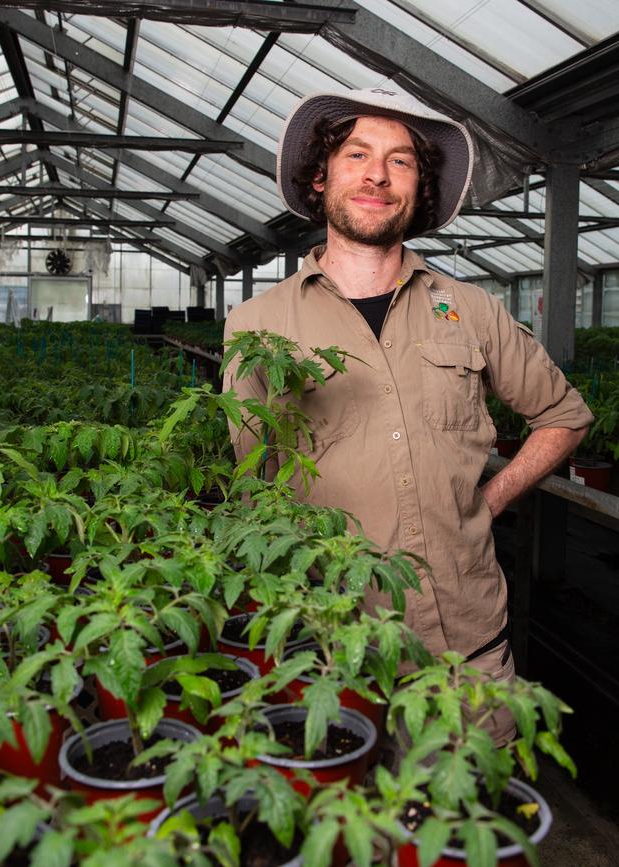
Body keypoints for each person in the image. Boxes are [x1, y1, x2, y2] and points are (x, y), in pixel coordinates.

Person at [223, 86, 592, 744]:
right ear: (320, 176)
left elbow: (564, 415)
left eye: (400, 161)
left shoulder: (470, 308)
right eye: (357, 153)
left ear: (418, 189)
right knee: (345, 837)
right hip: (334, 652)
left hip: (467, 652)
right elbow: (256, 484)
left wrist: (492, 495)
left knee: (462, 835)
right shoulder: (258, 324)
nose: (376, 174)